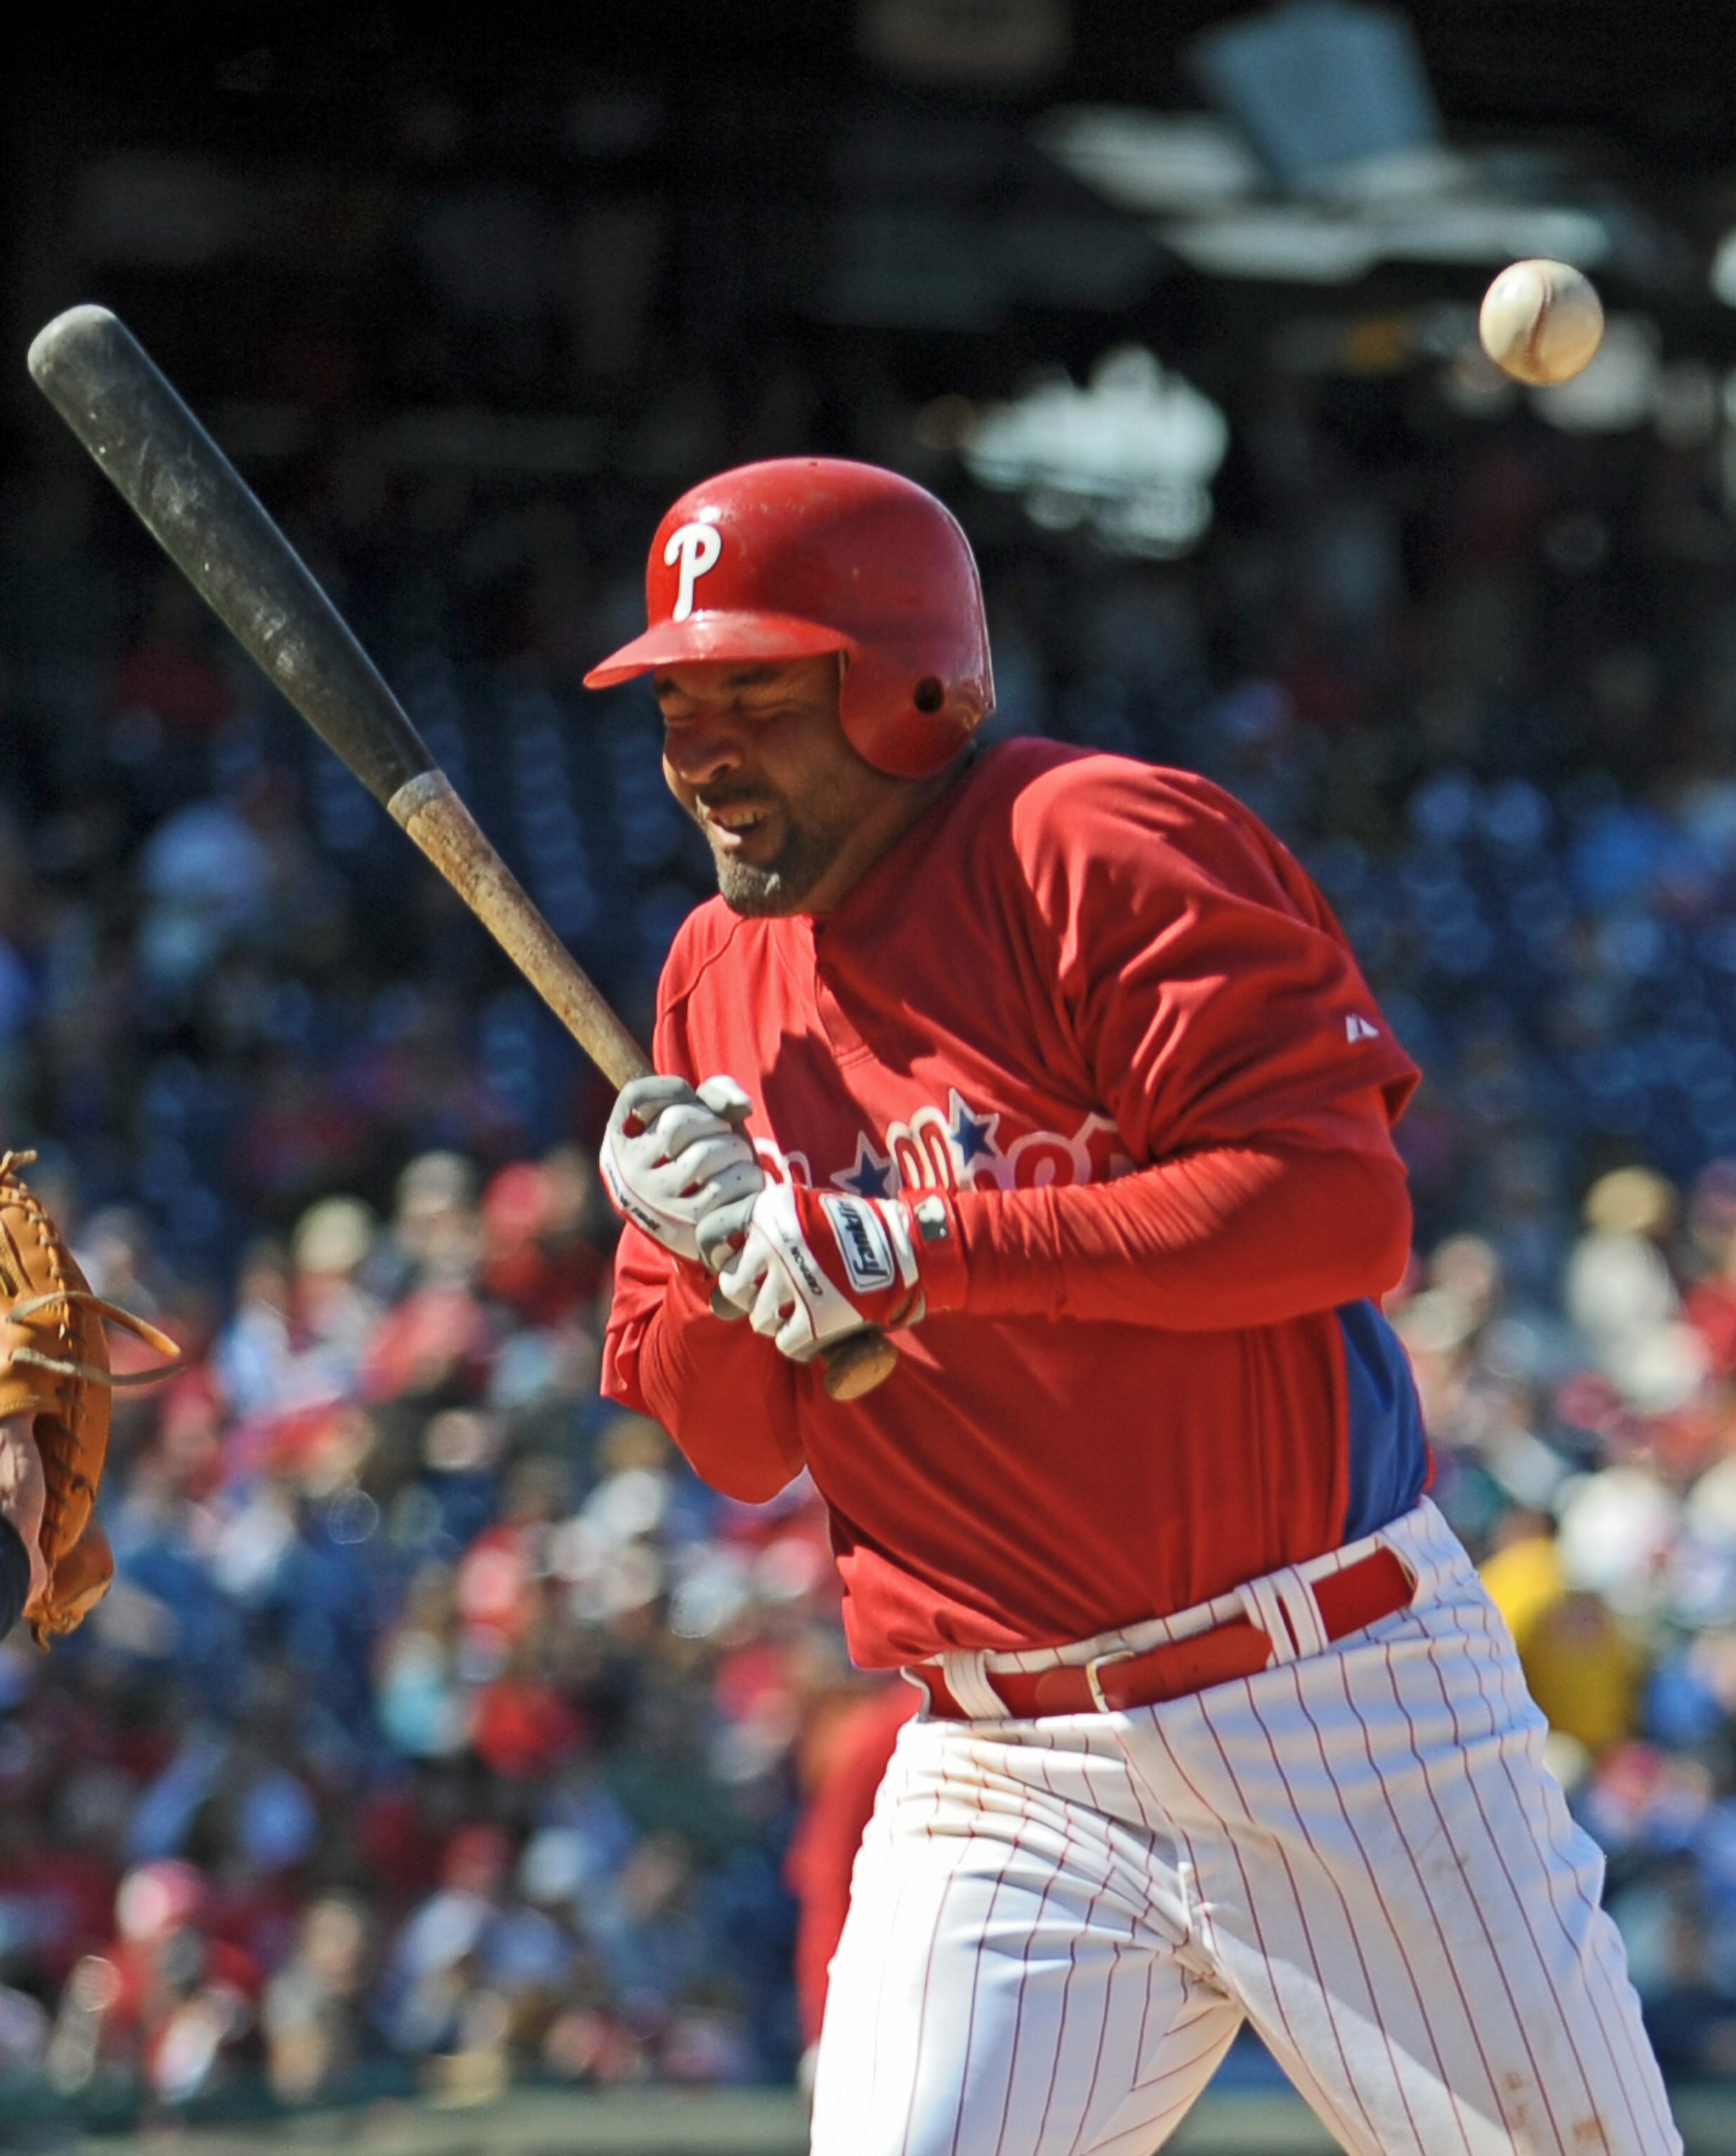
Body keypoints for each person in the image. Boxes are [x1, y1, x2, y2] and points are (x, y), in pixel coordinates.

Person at [590, 459, 1677, 2156]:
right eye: (676, 702)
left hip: (1332, 1702)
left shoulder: (1086, 843)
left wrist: (909, 1249)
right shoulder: (712, 985)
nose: (702, 753)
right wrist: (725, 1273)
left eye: (756, 696)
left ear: (905, 689)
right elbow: (731, 1447)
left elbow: (1333, 1212)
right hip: (998, 1771)